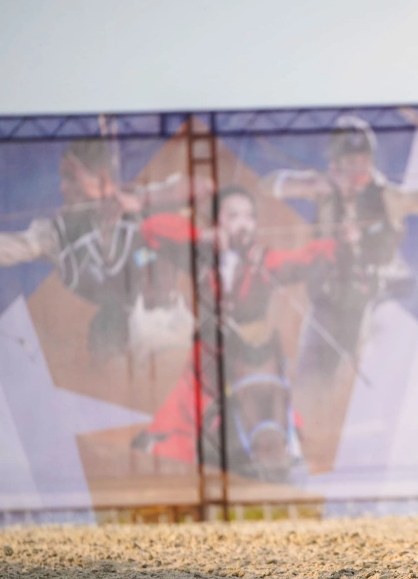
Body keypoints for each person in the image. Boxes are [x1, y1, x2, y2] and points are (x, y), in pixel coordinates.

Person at [134, 185, 338, 476]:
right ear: (217, 223)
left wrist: (336, 244)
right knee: (174, 447)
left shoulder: (263, 260)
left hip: (248, 366)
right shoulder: (200, 254)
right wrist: (203, 237)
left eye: (249, 217)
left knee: (280, 432)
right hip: (206, 370)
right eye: (233, 216)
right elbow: (150, 229)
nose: (243, 224)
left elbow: (304, 259)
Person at [261, 115, 418, 382]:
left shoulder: (382, 194)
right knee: (309, 375)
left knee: (354, 375)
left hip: (366, 301)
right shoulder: (323, 186)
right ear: (336, 164)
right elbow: (270, 185)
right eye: (352, 161)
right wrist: (313, 185)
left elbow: (417, 201)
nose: (360, 167)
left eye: (365, 160)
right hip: (326, 298)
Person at [0, 138, 198, 359]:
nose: (62, 187)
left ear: (101, 178)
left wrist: (142, 200)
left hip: (175, 326)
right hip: (124, 343)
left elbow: (202, 187)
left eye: (71, 177)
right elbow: (6, 247)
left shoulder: (136, 201)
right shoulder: (59, 234)